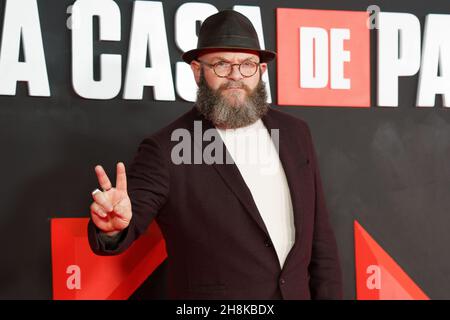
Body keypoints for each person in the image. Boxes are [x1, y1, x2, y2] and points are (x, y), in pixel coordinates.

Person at [88, 9, 343, 299]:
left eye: (247, 64)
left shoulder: (296, 134)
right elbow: (127, 223)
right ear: (198, 71)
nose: (236, 76)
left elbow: (321, 244)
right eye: (221, 64)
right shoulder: (165, 149)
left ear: (261, 71)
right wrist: (113, 230)